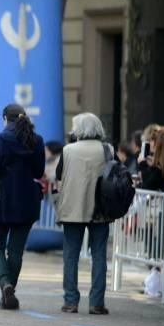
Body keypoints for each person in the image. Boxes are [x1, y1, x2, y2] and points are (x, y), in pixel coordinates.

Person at [0, 104, 45, 310]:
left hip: (2, 199)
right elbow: (38, 172)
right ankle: (9, 291)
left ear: (5, 118)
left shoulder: (0, 139)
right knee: (16, 251)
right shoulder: (36, 141)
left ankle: (5, 284)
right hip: (27, 200)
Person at [53, 113, 113, 315]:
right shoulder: (107, 150)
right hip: (101, 209)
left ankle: (70, 301)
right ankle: (97, 302)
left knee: (70, 256)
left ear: (78, 130)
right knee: (99, 255)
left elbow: (59, 175)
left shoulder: (68, 150)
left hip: (73, 209)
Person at [138, 127, 164, 192]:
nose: (150, 143)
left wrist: (143, 165)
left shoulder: (158, 172)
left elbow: (147, 187)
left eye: (154, 139)